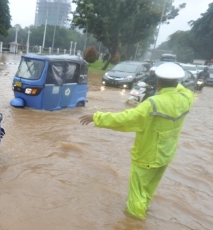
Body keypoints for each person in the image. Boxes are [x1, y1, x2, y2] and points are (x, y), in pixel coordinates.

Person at [79, 62, 194, 219]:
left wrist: (96, 116)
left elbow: (125, 119)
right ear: (177, 82)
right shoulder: (186, 99)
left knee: (136, 195)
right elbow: (184, 90)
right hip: (165, 155)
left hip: (147, 156)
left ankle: (134, 225)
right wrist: (174, 84)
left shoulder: (152, 103)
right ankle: (143, 211)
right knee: (147, 191)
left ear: (158, 82)